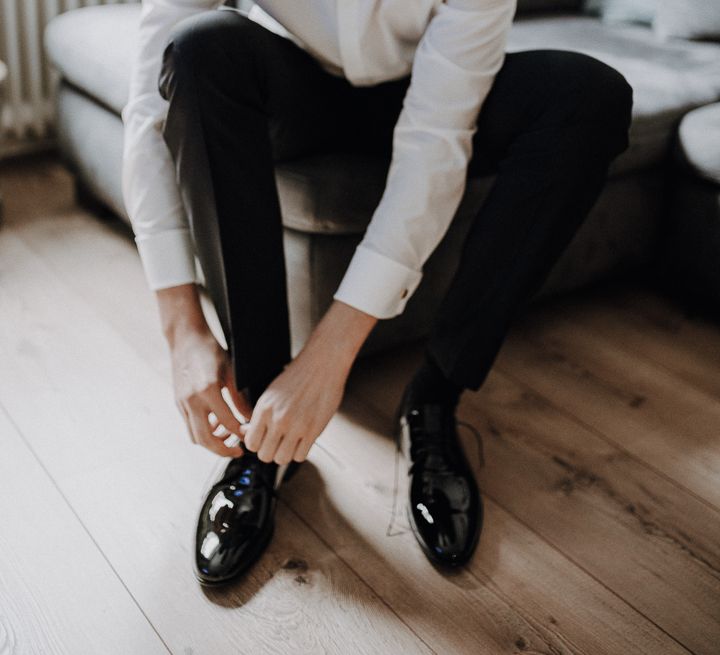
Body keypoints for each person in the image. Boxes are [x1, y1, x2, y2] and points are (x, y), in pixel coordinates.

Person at [122, 0, 633, 585]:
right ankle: (259, 426)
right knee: (198, 47)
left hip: (436, 89)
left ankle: (433, 399)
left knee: (591, 96)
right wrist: (181, 328)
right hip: (300, 92)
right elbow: (147, 105)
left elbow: (435, 142)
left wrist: (330, 354)